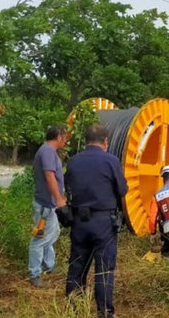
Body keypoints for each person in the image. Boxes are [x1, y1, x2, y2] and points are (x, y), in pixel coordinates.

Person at [64, 124, 128, 318]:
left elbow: (66, 187)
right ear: (105, 141)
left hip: (79, 222)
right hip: (103, 222)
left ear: (86, 141)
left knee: (77, 266)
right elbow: (122, 190)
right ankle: (105, 312)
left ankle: (75, 310)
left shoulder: (73, 161)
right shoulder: (111, 160)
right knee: (104, 269)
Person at [28, 124, 68, 288]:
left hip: (47, 203)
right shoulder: (47, 152)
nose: (66, 141)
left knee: (51, 235)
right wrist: (59, 199)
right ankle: (34, 273)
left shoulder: (47, 151)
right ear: (59, 136)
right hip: (46, 204)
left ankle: (49, 266)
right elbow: (49, 176)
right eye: (65, 137)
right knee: (40, 239)